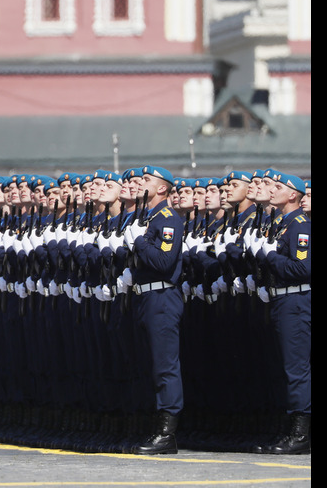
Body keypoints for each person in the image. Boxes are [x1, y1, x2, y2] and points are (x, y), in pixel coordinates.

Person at [123, 166, 184, 454]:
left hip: (162, 298)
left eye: (146, 180)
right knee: (148, 365)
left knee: (165, 366)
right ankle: (152, 426)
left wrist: (138, 241)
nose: (139, 183)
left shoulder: (168, 218)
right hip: (145, 297)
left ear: (162, 188)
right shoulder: (148, 218)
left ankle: (166, 433)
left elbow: (163, 262)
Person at [250, 172, 311, 454]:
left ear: (293, 195)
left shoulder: (299, 226)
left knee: (296, 368)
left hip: (295, 302)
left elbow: (302, 269)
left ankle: (300, 435)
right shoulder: (282, 224)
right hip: (281, 301)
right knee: (286, 368)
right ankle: (287, 429)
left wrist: (269, 255)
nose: (271, 191)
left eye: (278, 187)